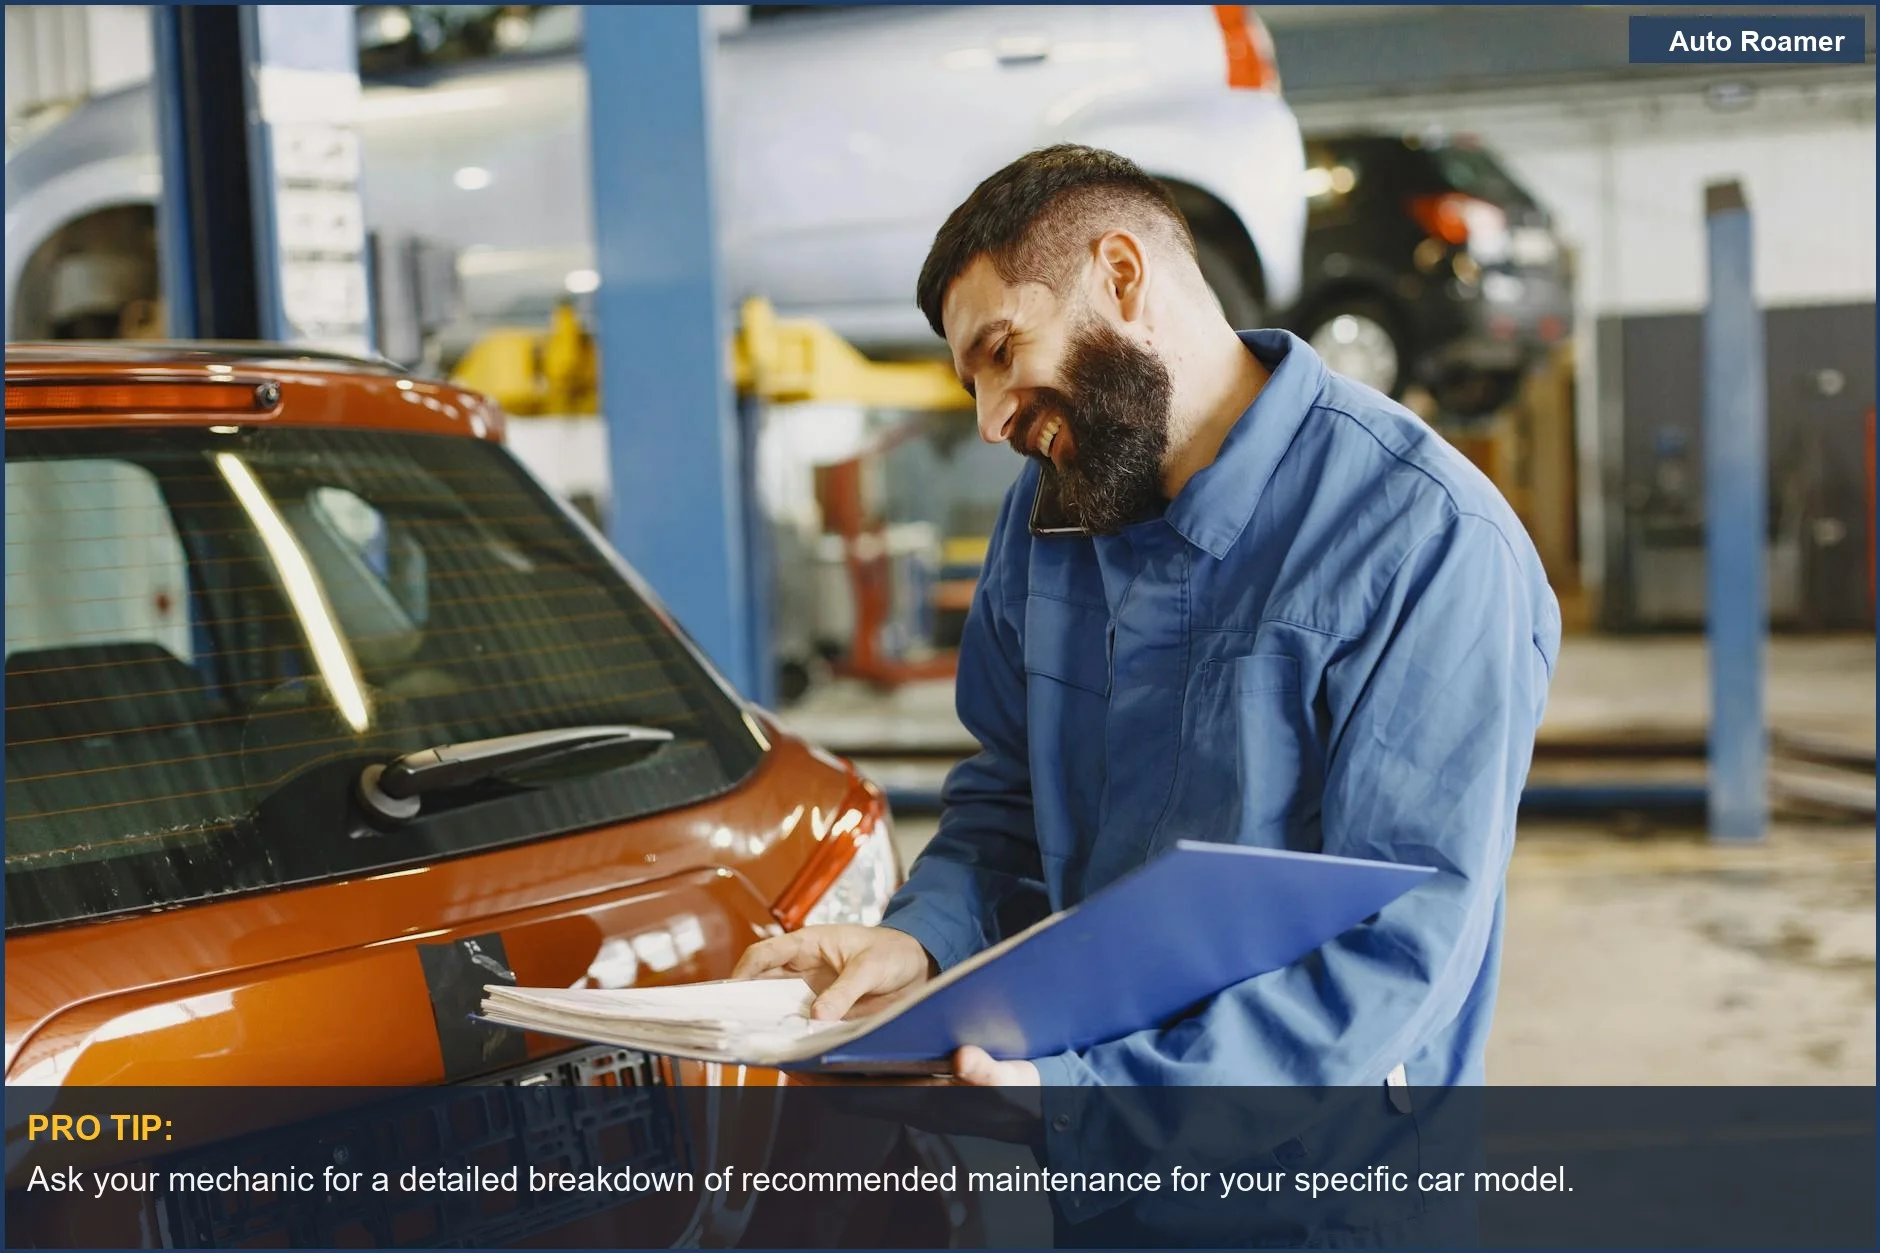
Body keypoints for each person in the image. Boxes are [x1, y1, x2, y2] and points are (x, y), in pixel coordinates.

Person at [735, 145, 1559, 1099]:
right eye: (972, 385)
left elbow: (1397, 951)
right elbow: (1010, 799)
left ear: (1121, 276)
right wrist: (920, 940)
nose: (993, 419)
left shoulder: (1422, 538)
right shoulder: (1050, 517)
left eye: (1002, 352)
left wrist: (1104, 1106)